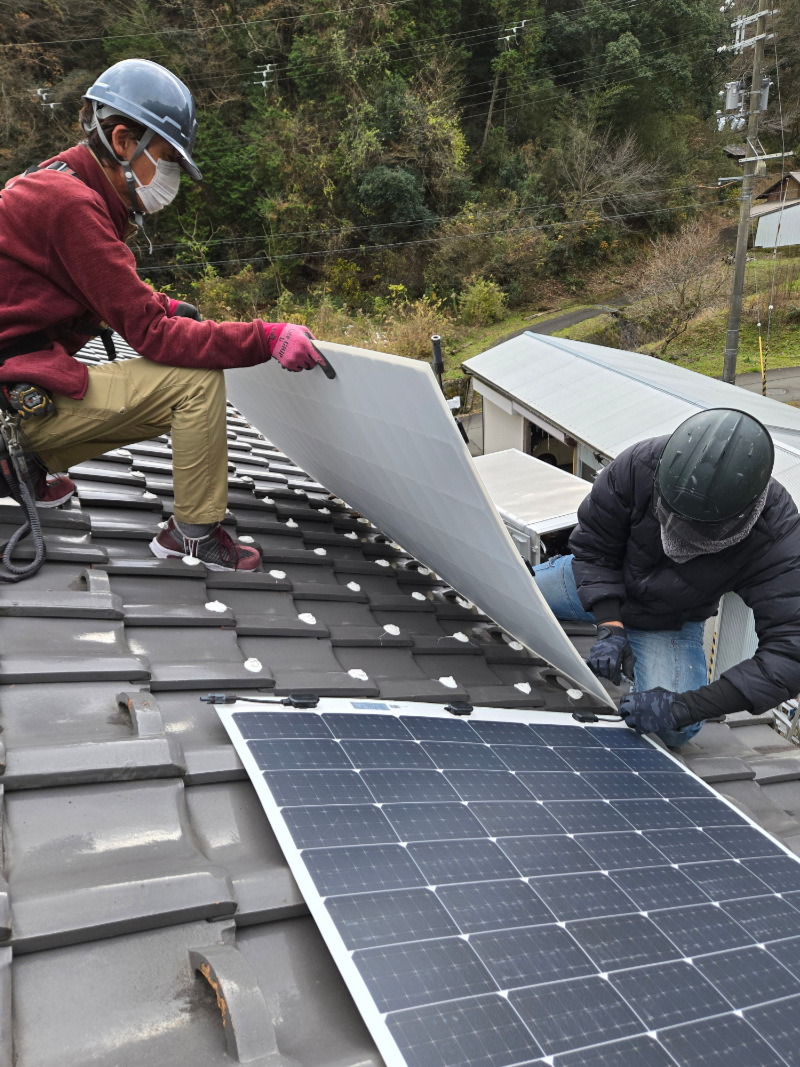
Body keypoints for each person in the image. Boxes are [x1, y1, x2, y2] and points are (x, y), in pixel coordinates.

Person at [0, 58, 327, 572]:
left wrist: (168, 306)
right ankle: (193, 535)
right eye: (166, 156)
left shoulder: (60, 183)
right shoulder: (72, 206)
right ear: (124, 141)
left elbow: (93, 286)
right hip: (9, 408)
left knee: (167, 367)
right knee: (193, 384)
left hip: (11, 391)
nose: (170, 173)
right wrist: (266, 337)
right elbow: (152, 335)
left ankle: (23, 468)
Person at [532, 407, 800, 747]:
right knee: (512, 593)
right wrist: (610, 626)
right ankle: (566, 584)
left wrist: (683, 707)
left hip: (669, 622)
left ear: (741, 521)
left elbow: (790, 653)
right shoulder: (638, 465)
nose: (676, 539)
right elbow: (595, 548)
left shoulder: (777, 535)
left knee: (676, 730)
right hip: (599, 578)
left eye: (693, 535)